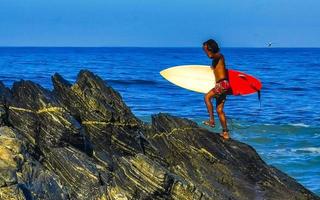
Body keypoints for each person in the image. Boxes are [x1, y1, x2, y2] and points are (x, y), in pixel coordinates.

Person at [202, 39, 231, 140]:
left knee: (206, 97)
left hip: (222, 84)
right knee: (219, 110)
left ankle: (211, 120)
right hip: (224, 84)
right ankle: (225, 133)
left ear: (210, 48)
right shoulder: (215, 61)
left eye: (205, 50)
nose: (205, 52)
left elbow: (213, 55)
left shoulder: (220, 56)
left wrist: (209, 51)